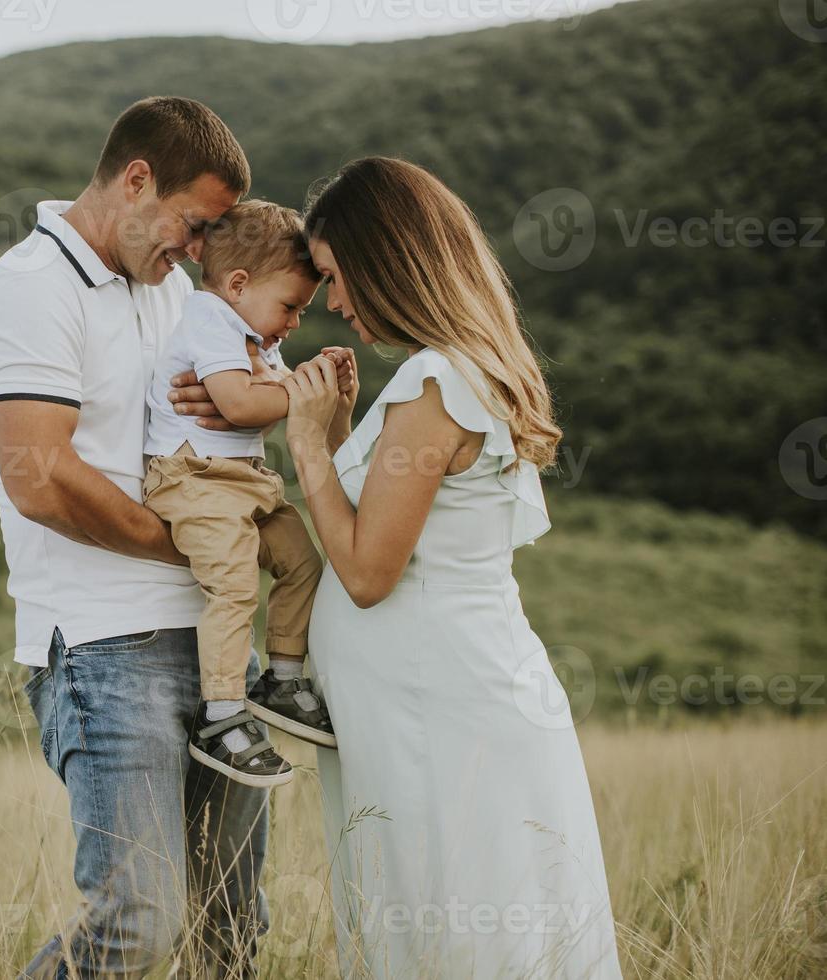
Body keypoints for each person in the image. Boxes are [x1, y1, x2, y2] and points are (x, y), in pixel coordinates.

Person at [281, 156, 625, 977]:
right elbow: (377, 537)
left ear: (384, 259)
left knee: (455, 937)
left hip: (441, 719)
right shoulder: (452, 374)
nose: (332, 302)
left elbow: (367, 574)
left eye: (335, 277)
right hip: (431, 708)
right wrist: (338, 436)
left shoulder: (437, 382)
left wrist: (304, 448)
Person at [0, 96, 271, 977]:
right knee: (139, 923)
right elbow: (39, 477)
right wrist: (192, 547)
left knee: (230, 931)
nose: (200, 248)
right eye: (193, 222)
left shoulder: (178, 292)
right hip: (106, 648)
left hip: (218, 646)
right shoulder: (31, 287)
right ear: (137, 180)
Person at [142, 199, 338, 788]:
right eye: (290, 307)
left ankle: (280, 677)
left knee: (302, 560)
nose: (295, 323)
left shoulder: (250, 328)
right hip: (192, 479)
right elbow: (243, 405)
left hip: (243, 483)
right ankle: (220, 715)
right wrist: (309, 393)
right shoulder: (210, 318)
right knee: (232, 584)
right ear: (237, 283)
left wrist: (295, 385)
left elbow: (261, 401)